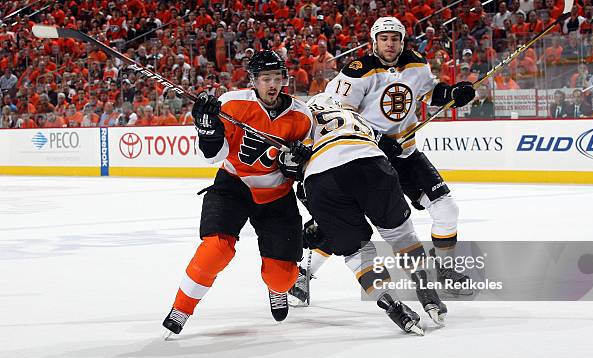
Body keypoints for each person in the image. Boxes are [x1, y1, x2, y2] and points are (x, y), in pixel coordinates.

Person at [294, 17, 475, 304]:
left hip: (405, 154)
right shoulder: (358, 71)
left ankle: (445, 270)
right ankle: (304, 274)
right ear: (374, 41)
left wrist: (453, 93)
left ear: (403, 40)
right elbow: (339, 113)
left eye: (395, 38)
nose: (390, 44)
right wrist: (378, 139)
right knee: (349, 220)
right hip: (365, 155)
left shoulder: (416, 62)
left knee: (446, 208)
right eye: (384, 38)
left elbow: (430, 92)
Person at [162, 51, 314, 337]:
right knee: (215, 250)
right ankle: (181, 307)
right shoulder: (232, 104)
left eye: (277, 78)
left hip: (277, 196)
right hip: (234, 186)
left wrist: (298, 163)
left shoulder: (302, 116)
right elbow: (214, 156)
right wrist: (207, 130)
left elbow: (306, 167)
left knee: (281, 278)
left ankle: (275, 289)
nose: (272, 85)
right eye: (266, 79)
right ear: (254, 80)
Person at [295, 93, 447, 334]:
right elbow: (390, 148)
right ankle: (427, 290)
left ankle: (393, 306)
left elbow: (288, 168)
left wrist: (314, 213)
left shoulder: (299, 122)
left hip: (321, 179)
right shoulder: (355, 116)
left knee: (358, 252)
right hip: (370, 163)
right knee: (402, 237)